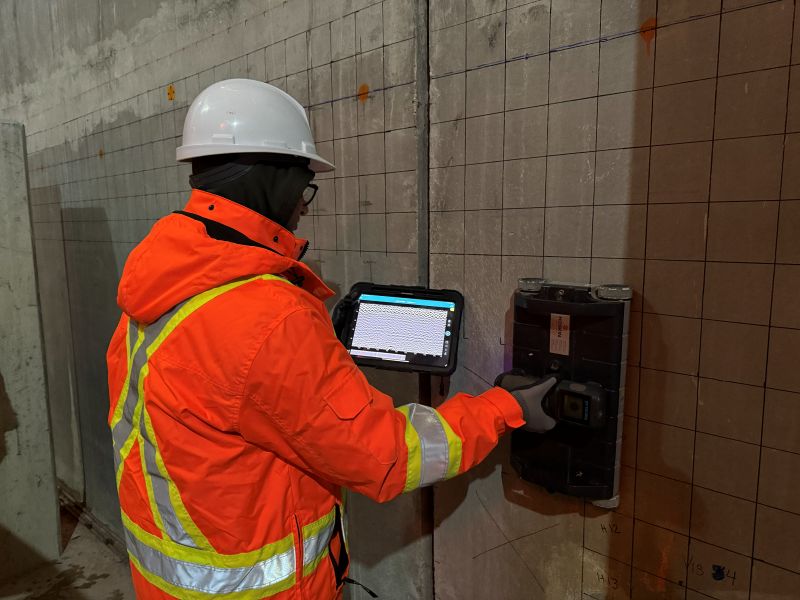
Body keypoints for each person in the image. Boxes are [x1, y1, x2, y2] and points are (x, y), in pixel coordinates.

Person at [106, 79, 556, 599]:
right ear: (272, 178)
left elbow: (221, 393)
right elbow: (386, 456)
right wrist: (504, 408)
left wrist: (313, 366)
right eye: (305, 186)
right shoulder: (269, 317)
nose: (305, 206)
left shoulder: (165, 278)